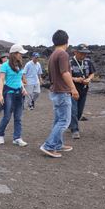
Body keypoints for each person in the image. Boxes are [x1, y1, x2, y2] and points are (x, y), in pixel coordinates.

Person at [40, 30, 79, 158]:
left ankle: (57, 144)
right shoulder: (63, 54)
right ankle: (49, 146)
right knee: (64, 121)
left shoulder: (53, 55)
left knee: (58, 120)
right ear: (66, 41)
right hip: (62, 92)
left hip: (55, 91)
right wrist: (73, 89)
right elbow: (65, 73)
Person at [0, 44, 29, 146]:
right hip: (8, 92)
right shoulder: (5, 66)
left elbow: (19, 79)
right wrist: (0, 95)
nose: (21, 55)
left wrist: (23, 89)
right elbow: (1, 80)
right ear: (14, 54)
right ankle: (0, 135)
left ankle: (17, 138)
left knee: (18, 117)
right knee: (7, 116)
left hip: (19, 92)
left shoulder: (19, 65)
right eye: (20, 53)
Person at [69, 44, 96, 139]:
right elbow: (67, 76)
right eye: (81, 53)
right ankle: (75, 130)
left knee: (80, 112)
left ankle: (70, 124)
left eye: (85, 53)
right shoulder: (70, 62)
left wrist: (89, 79)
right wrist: (76, 79)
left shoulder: (88, 62)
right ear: (75, 52)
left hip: (84, 90)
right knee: (74, 111)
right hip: (72, 90)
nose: (83, 55)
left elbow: (92, 73)